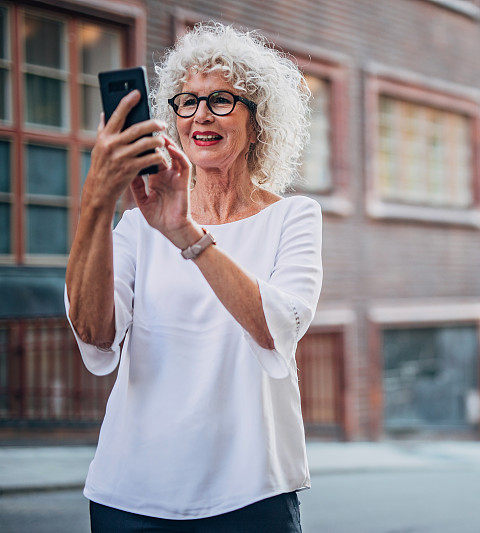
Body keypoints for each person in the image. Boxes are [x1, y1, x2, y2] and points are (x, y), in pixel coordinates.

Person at [64, 22, 321, 531]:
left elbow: (276, 327)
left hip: (251, 492)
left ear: (258, 121)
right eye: (186, 101)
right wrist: (97, 198)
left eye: (222, 99)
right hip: (131, 494)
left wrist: (183, 231)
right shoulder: (138, 223)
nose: (200, 113)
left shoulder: (294, 217)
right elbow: (94, 333)